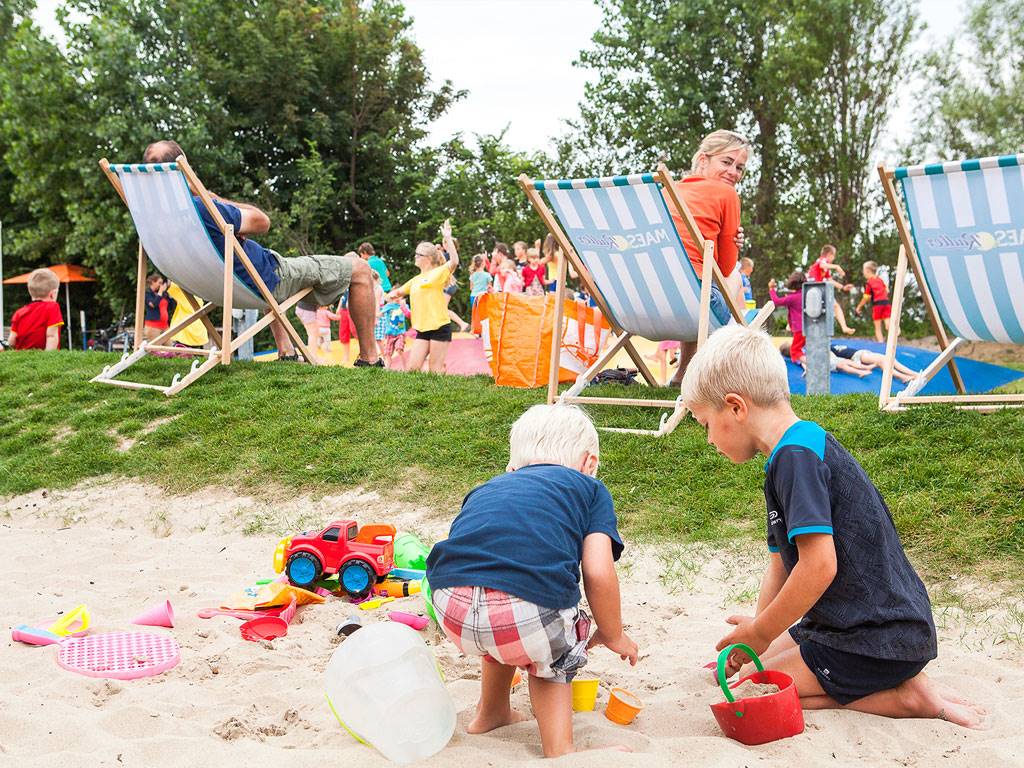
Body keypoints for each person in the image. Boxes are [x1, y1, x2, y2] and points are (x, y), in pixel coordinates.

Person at [679, 325, 984, 729]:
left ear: (736, 407)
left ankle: (907, 695)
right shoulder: (792, 451)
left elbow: (819, 566)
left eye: (705, 423)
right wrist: (756, 638)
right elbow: (780, 565)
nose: (707, 439)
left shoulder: (795, 459)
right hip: (851, 624)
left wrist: (761, 632)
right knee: (753, 669)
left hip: (876, 637)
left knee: (757, 687)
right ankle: (889, 682)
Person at [426, 404, 639, 757]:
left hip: (449, 604)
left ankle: (491, 713)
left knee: (503, 605)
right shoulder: (589, 488)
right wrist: (613, 633)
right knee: (551, 654)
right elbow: (598, 571)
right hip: (525, 610)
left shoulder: (486, 488)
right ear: (590, 464)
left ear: (513, 466)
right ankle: (560, 749)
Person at [142, 140, 381, 366]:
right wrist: (209, 196)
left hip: (218, 286)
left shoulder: (152, 218)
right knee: (360, 269)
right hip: (264, 279)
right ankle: (370, 359)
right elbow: (262, 221)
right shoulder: (203, 209)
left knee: (269, 261)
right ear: (184, 170)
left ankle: (286, 351)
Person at [665, 129, 750, 386]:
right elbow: (724, 267)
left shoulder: (667, 191)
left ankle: (682, 372)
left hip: (641, 305)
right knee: (730, 277)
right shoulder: (727, 194)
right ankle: (736, 366)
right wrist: (733, 245)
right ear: (703, 159)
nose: (733, 172)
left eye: (740, 167)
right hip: (694, 303)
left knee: (693, 280)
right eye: (726, 162)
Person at [385, 222, 460, 374]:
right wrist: (382, 293)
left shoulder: (438, 272)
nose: (415, 257)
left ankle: (442, 383)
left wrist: (448, 238)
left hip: (439, 327)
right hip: (422, 329)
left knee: (434, 371)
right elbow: (396, 293)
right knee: (412, 370)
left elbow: (454, 262)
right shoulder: (415, 280)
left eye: (418, 255)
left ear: (428, 258)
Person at [7, 268, 63, 351]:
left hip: (21, 355)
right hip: (42, 356)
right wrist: (48, 356)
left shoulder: (19, 312)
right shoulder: (52, 307)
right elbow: (51, 336)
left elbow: (12, 341)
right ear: (53, 294)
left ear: (30, 292)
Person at [807, 245, 856, 336]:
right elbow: (822, 264)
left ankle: (844, 327)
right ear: (829, 254)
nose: (834, 258)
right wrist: (837, 267)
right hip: (812, 289)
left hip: (819, 289)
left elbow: (830, 280)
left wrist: (843, 287)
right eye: (834, 256)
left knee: (835, 306)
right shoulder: (821, 260)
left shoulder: (826, 269)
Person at [830, 343, 921, 384]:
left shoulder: (830, 345)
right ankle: (903, 377)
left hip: (861, 352)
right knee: (882, 361)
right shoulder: (828, 350)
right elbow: (838, 360)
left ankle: (912, 374)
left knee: (889, 359)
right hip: (857, 356)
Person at [769, 271, 807, 363]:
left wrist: (771, 289)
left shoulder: (792, 298)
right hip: (809, 327)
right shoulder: (807, 294)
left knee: (795, 351)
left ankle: (811, 364)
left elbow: (776, 301)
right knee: (804, 348)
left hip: (799, 329)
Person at [855, 261, 892, 343]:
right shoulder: (880, 280)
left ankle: (881, 343)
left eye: (863, 270)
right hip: (886, 303)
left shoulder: (869, 282)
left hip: (877, 305)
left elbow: (866, 297)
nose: (863, 273)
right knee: (888, 325)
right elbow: (886, 290)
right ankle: (895, 331)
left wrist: (859, 307)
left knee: (878, 327)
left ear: (868, 271)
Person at [166, 281, 209, 350]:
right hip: (198, 332)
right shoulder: (198, 298)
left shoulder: (184, 296)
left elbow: (170, 285)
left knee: (182, 353)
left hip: (185, 332)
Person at [143, 273, 177, 342]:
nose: (161, 285)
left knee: (170, 346)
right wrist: (160, 292)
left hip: (165, 326)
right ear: (153, 282)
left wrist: (169, 292)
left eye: (162, 283)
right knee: (156, 347)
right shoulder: (147, 293)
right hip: (153, 326)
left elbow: (172, 306)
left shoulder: (163, 294)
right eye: (159, 283)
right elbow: (153, 304)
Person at [379, 297, 410, 370]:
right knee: (387, 354)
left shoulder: (403, 306)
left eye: (399, 297)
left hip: (400, 334)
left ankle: (405, 368)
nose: (397, 299)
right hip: (389, 335)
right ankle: (387, 369)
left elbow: (408, 315)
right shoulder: (388, 306)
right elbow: (380, 314)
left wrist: (404, 306)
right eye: (395, 297)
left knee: (399, 349)